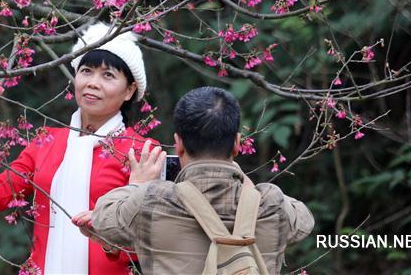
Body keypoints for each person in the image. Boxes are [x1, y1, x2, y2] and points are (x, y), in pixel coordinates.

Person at [0, 23, 158, 275]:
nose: (93, 83)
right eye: (86, 71)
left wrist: (137, 193)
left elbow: (153, 244)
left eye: (108, 75)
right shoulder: (46, 143)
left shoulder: (142, 152)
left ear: (130, 90)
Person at [78, 86, 314, 274]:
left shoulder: (150, 201)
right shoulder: (272, 203)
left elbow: (103, 217)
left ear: (178, 143)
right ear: (236, 144)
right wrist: (247, 185)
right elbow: (305, 221)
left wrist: (137, 184)